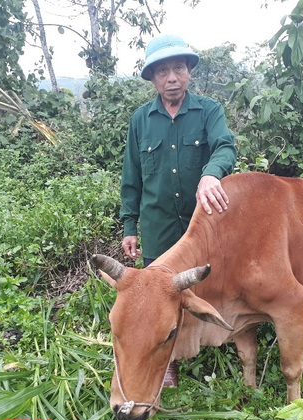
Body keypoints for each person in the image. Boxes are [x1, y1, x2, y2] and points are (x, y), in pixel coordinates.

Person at [119, 34, 237, 386]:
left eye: (179, 69)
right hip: (158, 227)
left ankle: (212, 343)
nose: (172, 78)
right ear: (153, 78)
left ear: (189, 73)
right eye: (163, 71)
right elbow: (132, 177)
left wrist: (212, 174)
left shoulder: (208, 111)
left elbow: (225, 147)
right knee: (157, 297)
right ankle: (166, 359)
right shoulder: (141, 120)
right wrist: (129, 226)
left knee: (209, 285)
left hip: (203, 226)